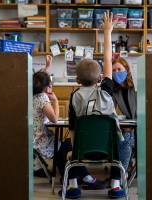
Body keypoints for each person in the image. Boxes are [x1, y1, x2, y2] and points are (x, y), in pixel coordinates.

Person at [62, 11, 126, 199]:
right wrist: (107, 32)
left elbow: (73, 129)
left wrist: (76, 150)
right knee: (121, 144)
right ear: (100, 78)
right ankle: (115, 187)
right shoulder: (106, 89)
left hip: (83, 151)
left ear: (77, 79)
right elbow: (107, 59)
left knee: (68, 146)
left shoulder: (74, 96)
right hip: (110, 151)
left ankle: (73, 187)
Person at [33, 56, 103, 189]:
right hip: (42, 142)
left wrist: (47, 66)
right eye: (50, 84)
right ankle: (84, 177)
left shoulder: (34, 95)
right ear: (46, 86)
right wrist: (56, 101)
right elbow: (54, 119)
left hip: (36, 139)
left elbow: (41, 78)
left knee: (64, 146)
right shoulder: (43, 99)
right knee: (67, 146)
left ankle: (72, 179)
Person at [112, 57, 136, 172]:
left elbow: (142, 111)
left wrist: (130, 127)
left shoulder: (135, 86)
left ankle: (121, 175)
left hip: (141, 127)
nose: (116, 73)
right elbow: (111, 109)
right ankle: (119, 171)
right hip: (129, 125)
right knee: (117, 136)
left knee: (125, 138)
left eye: (119, 69)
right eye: (114, 70)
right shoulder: (116, 90)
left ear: (126, 69)